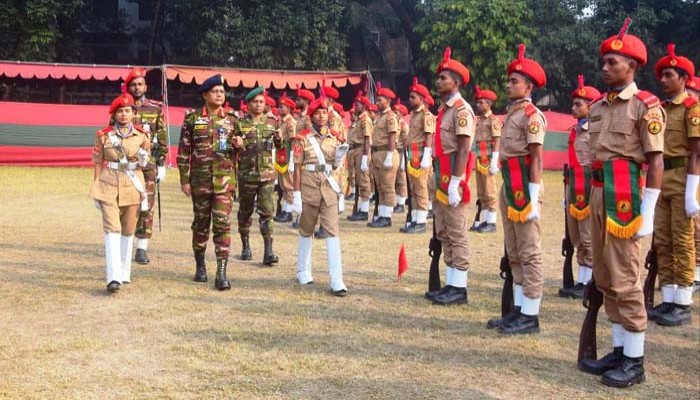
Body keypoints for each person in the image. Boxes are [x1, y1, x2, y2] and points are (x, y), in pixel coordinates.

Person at [577, 19, 665, 388]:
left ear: (633, 67)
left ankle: (635, 359)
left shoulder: (646, 107)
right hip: (598, 192)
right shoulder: (598, 106)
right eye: (605, 62)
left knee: (626, 278)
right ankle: (618, 348)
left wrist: (647, 209)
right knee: (605, 276)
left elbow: (656, 161)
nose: (606, 67)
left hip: (625, 197)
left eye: (614, 62)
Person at [484, 44, 547, 333]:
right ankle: (519, 308)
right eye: (509, 80)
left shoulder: (532, 115)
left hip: (525, 184)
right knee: (514, 250)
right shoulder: (512, 112)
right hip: (510, 184)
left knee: (530, 250)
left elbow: (536, 157)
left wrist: (533, 198)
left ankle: (531, 314)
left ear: (529, 86)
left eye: (515, 81)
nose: (508, 85)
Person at [647, 44, 699, 326]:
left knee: (682, 240)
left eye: (669, 75)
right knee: (663, 240)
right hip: (662, 177)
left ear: (683, 79)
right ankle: (667, 298)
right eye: (662, 75)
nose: (664, 80)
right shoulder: (661, 109)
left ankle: (683, 302)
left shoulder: (692, 109)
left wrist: (692, 192)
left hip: (682, 177)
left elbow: (696, 151)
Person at [424, 48, 475, 306]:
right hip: (440, 175)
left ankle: (460, 287)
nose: (439, 81)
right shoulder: (444, 110)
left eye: (444, 77)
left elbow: (464, 147)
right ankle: (450, 282)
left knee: (457, 231)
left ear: (455, 82)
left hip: (453, 177)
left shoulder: (462, 110)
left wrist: (457, 181)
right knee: (443, 231)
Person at [177, 74, 237, 290]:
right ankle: (200, 266)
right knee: (200, 225)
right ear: (205, 94)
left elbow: (241, 150)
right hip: (200, 181)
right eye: (215, 91)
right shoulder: (192, 119)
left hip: (224, 183)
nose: (220, 94)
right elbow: (184, 151)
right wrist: (184, 180)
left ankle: (221, 273)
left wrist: (240, 144)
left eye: (222, 91)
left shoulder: (233, 119)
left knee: (222, 224)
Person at [90, 89, 151, 292]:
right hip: (108, 183)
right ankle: (113, 276)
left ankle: (124, 273)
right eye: (120, 111)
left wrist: (144, 158)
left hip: (132, 184)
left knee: (128, 230)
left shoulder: (142, 135)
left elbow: (144, 162)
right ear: (114, 114)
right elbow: (98, 162)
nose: (124, 114)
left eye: (127, 110)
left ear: (134, 113)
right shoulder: (103, 135)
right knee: (112, 229)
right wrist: (95, 186)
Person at [291, 93, 349, 296]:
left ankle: (336, 279)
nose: (322, 116)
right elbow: (296, 168)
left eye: (325, 112)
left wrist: (340, 160)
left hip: (329, 188)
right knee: (307, 229)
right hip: (309, 187)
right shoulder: (302, 139)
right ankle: (303, 270)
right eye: (318, 113)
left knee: (333, 232)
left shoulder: (336, 137)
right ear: (312, 117)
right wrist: (296, 195)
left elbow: (337, 166)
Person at [109, 68, 168, 265]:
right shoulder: (121, 108)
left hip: (148, 165)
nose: (137, 87)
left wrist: (161, 163)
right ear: (128, 87)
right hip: (126, 166)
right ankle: (123, 241)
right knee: (124, 205)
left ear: (145, 86)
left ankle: (141, 247)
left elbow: (162, 136)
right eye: (133, 84)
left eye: (140, 84)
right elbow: (111, 137)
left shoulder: (156, 108)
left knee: (146, 206)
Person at [558, 75, 601, 299]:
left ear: (590, 107)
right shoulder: (575, 129)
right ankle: (582, 279)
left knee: (587, 237)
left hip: (587, 185)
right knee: (575, 236)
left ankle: (589, 281)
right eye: (573, 103)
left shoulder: (594, 130)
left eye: (579, 104)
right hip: (573, 184)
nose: (573, 107)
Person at [235, 86, 282, 266]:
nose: (258, 104)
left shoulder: (272, 122)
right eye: (255, 102)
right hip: (247, 174)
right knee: (245, 212)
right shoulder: (240, 124)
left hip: (266, 175)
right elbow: (234, 148)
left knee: (267, 212)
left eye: (261, 102)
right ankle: (245, 245)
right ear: (248, 104)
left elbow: (280, 146)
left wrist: (279, 139)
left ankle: (268, 251)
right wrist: (237, 144)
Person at [400, 77, 435, 234]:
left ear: (422, 99)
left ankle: (421, 221)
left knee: (421, 187)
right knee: (413, 188)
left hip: (420, 153)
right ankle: (414, 218)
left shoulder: (426, 115)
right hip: (412, 153)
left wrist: (427, 156)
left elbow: (429, 136)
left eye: (413, 97)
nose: (410, 100)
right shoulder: (414, 114)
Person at [368, 83, 400, 228]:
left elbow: (392, 136)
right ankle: (381, 214)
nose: (377, 102)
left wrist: (389, 155)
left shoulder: (390, 117)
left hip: (386, 152)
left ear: (387, 100)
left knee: (387, 186)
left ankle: (386, 217)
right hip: (377, 153)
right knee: (380, 187)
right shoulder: (380, 117)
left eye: (380, 99)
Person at [472, 85, 501, 233]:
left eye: (481, 102)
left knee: (490, 191)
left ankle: (492, 222)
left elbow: (497, 140)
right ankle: (483, 221)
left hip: (489, 157)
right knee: (482, 191)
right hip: (480, 157)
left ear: (488, 104)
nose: (478, 105)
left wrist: (495, 160)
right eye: (477, 102)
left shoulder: (493, 120)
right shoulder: (479, 120)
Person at [347, 92, 375, 221]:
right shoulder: (359, 119)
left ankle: (364, 210)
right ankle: (360, 208)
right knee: (357, 180)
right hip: (354, 150)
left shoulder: (365, 119)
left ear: (363, 105)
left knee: (363, 181)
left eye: (357, 105)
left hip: (361, 150)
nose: (355, 107)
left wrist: (364, 157)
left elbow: (367, 139)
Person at [273, 92, 298, 224]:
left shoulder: (290, 122)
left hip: (288, 154)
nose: (280, 109)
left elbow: (293, 140)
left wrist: (293, 158)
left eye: (282, 107)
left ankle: (288, 212)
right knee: (283, 183)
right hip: (281, 153)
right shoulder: (281, 121)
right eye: (279, 106)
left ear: (288, 109)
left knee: (288, 184)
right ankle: (285, 209)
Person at [393, 99, 410, 214]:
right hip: (395, 151)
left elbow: (406, 142)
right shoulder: (395, 123)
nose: (395, 113)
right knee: (395, 179)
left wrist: (405, 158)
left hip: (401, 152)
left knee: (401, 179)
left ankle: (402, 202)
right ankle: (398, 201)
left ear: (402, 113)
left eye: (397, 111)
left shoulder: (403, 126)